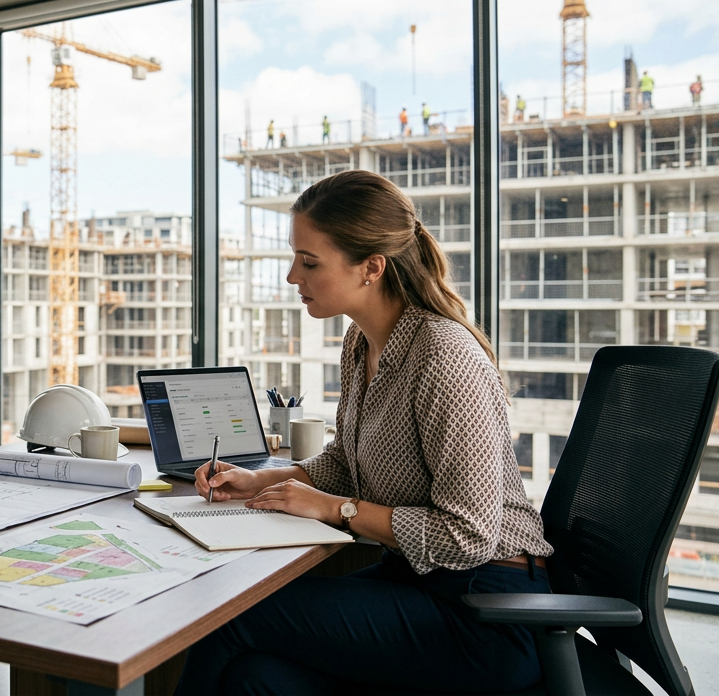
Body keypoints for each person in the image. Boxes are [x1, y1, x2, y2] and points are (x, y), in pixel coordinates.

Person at [175, 170, 553, 696]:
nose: (292, 276)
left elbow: (467, 536)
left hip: (485, 610)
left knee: (231, 612)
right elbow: (349, 463)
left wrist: (335, 509)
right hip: (415, 583)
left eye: (309, 262)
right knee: (253, 679)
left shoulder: (444, 356)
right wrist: (268, 480)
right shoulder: (362, 342)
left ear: (371, 267)